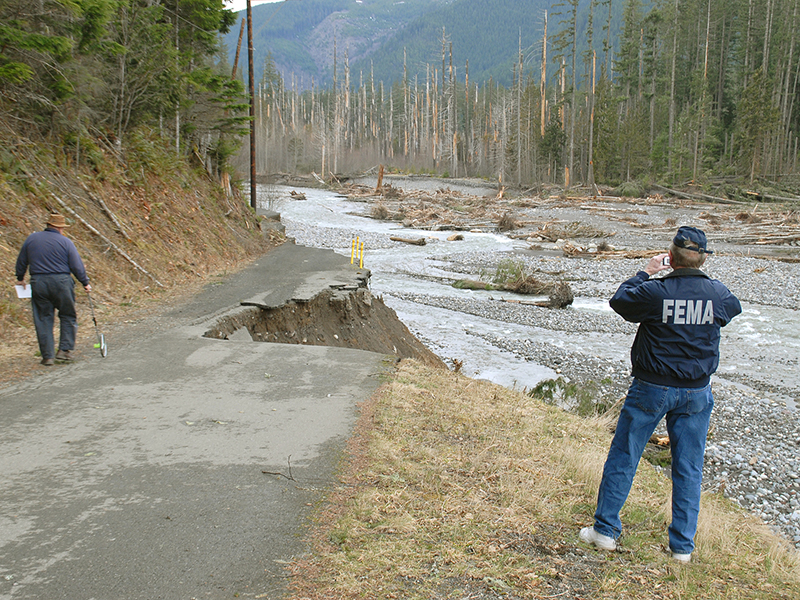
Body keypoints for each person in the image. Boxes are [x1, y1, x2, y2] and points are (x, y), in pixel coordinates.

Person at [579, 226, 741, 563]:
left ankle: (605, 531)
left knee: (625, 454)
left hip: (651, 386)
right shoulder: (717, 294)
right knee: (688, 467)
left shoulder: (655, 291)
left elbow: (619, 301)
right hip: (696, 393)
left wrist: (647, 271)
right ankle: (682, 547)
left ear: (671, 255)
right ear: (704, 258)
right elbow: (732, 309)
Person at [15, 214, 92, 366]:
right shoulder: (66, 242)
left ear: (48, 225)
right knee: (68, 315)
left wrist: (20, 278)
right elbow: (76, 265)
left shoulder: (32, 239)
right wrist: (85, 282)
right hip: (62, 282)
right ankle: (64, 351)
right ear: (60, 228)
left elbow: (21, 261)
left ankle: (47, 356)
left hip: (39, 282)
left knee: (43, 318)